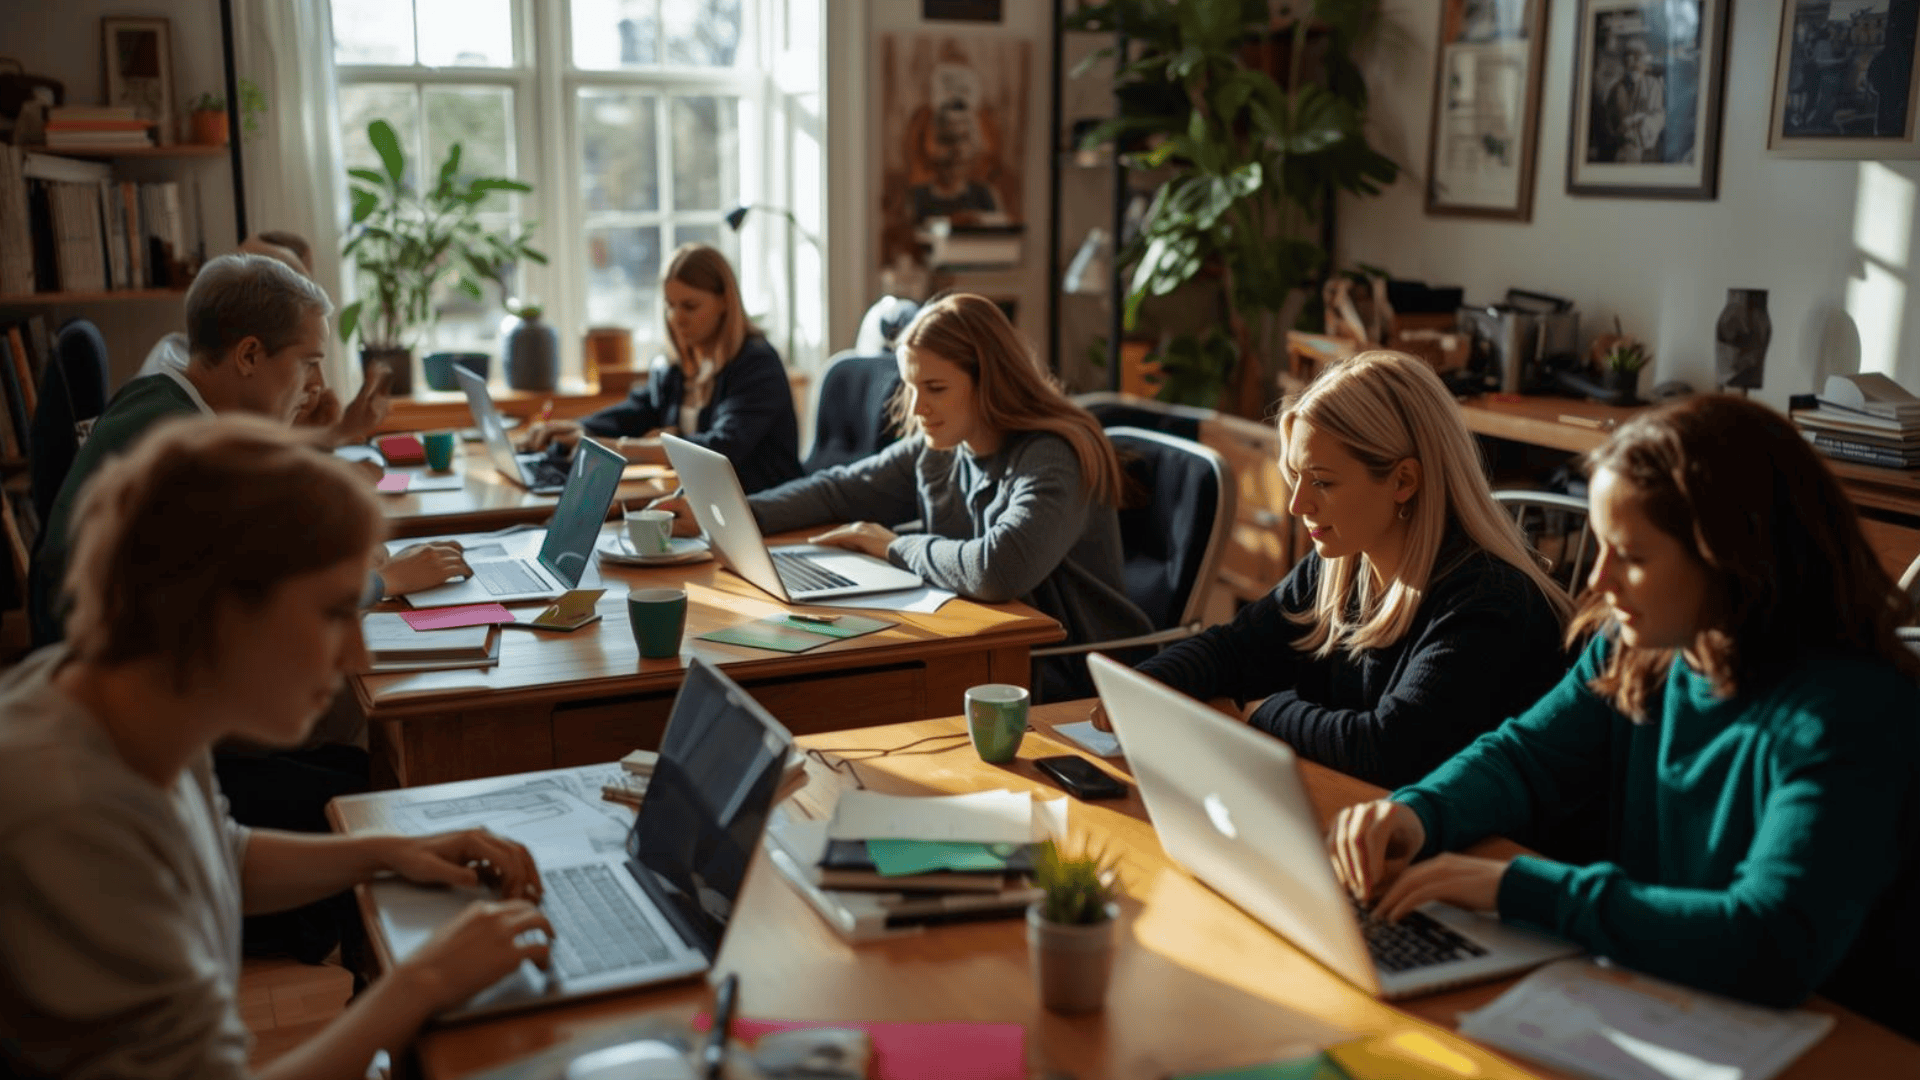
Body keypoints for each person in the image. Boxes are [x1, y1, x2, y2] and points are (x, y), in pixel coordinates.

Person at [1330, 395, 1920, 1035]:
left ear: (1733, 556)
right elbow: (1526, 758)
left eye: (1632, 557)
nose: (1601, 581)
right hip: (1667, 995)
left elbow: (1770, 940)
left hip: (1823, 1042)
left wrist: (1517, 888)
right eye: (1602, 547)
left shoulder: (1852, 712)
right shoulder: (1642, 648)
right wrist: (1418, 813)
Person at [0, 415, 555, 1079]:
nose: (355, 650)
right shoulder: (68, 814)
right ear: (217, 611)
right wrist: (421, 980)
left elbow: (218, 854)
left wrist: (388, 851)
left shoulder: (124, 698)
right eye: (333, 612)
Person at [1096, 351, 1573, 792]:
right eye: (1296, 475)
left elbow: (1387, 752)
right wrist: (1141, 689)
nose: (1297, 503)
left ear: (1403, 481)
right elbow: (1235, 649)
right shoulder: (1344, 566)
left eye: (1322, 481)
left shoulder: (1490, 601)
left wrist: (1264, 711)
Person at [664, 292, 1150, 701]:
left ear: (991, 383)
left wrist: (891, 545)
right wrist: (733, 515)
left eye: (935, 388)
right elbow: (840, 489)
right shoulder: (942, 445)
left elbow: (999, 569)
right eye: (912, 387)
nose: (918, 408)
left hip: (1075, 677)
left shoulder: (1051, 456)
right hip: (988, 652)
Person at [30, 254, 468, 649]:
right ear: (250, 356)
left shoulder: (156, 396)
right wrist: (388, 580)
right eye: (308, 362)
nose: (316, 383)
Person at [521, 243, 802, 494]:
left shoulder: (756, 362)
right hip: (701, 497)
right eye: (670, 306)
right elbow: (640, 409)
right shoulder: (678, 363)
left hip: (761, 506)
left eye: (690, 306)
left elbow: (721, 448)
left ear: (724, 302)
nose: (676, 319)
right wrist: (581, 428)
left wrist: (617, 449)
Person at [1603, 36, 1665, 163]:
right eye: (1627, 56)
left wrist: (1636, 119)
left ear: (1643, 60)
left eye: (1636, 56)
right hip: (1622, 147)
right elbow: (1610, 119)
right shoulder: (1616, 88)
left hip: (1647, 147)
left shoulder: (1653, 85)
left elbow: (1658, 115)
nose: (1631, 61)